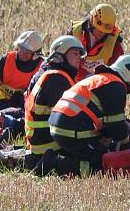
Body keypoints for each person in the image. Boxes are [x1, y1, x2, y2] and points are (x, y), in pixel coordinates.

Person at [47, 55, 130, 177]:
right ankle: (53, 164)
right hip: (72, 131)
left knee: (102, 150)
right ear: (128, 72)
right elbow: (116, 127)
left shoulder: (102, 79)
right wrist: (129, 145)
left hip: (60, 126)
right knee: (102, 164)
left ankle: (61, 158)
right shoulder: (116, 86)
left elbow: (113, 121)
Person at [23, 36, 86, 173]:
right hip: (50, 148)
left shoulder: (54, 75)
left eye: (80, 54)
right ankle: (52, 164)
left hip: (42, 146)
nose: (79, 58)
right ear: (60, 54)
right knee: (91, 165)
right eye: (75, 53)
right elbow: (69, 120)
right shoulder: (57, 79)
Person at [0, 30, 44, 113]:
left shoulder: (42, 68)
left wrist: (22, 101)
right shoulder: (6, 60)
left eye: (27, 52)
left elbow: (41, 99)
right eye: (21, 48)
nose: (22, 53)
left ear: (35, 54)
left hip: (23, 110)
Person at [68, 4, 124, 79]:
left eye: (105, 32)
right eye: (99, 30)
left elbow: (118, 72)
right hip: (72, 82)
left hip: (98, 85)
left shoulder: (115, 43)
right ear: (91, 22)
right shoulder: (74, 32)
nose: (101, 34)